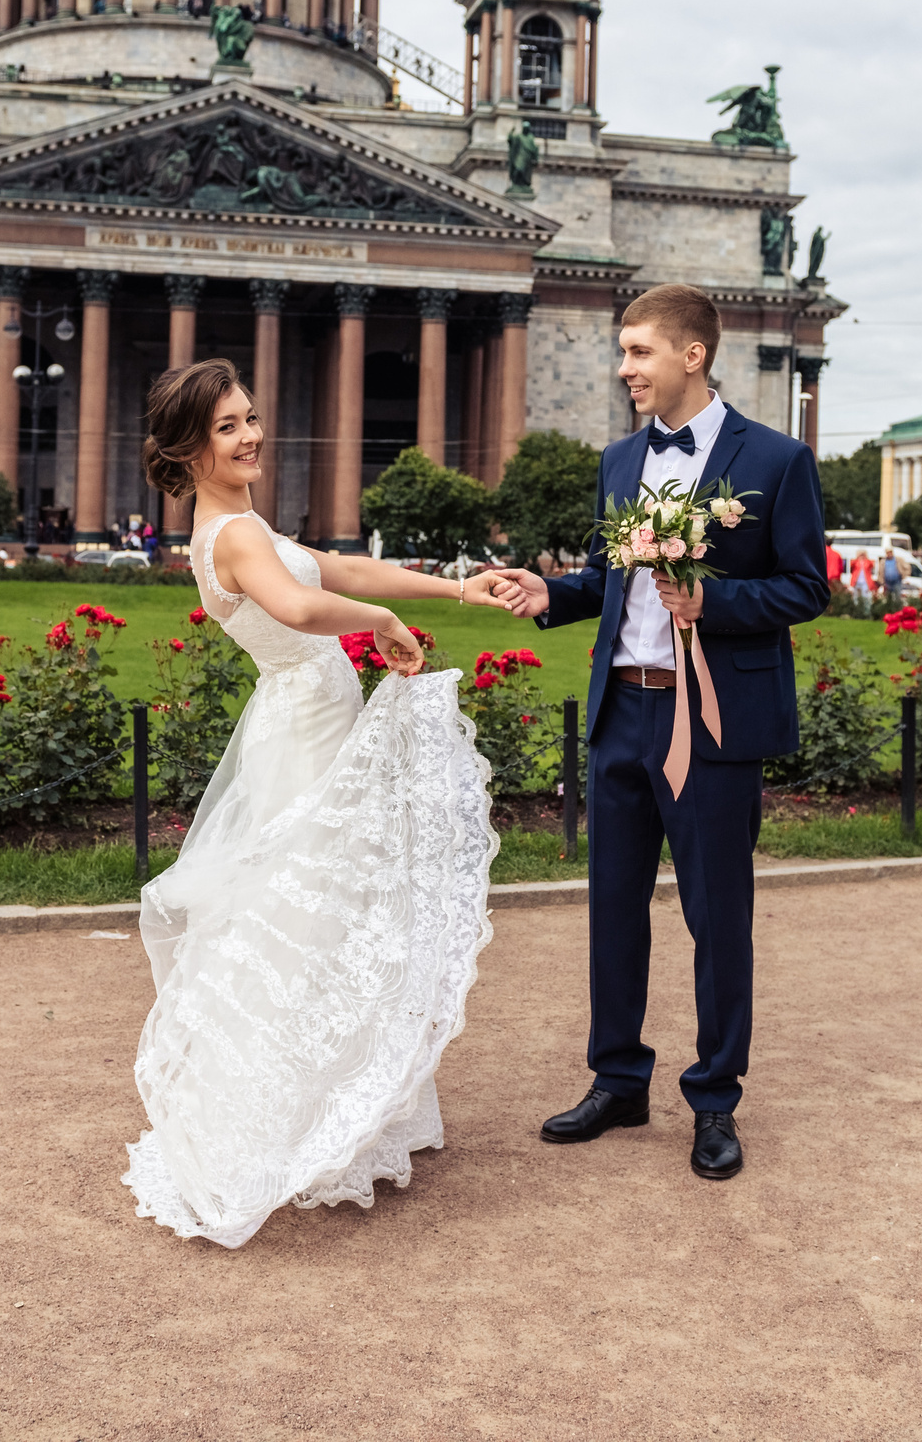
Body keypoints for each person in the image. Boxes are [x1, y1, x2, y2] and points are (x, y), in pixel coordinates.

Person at [122, 359, 517, 1249]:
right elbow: (301, 605)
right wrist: (378, 626)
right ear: (189, 448)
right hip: (303, 731)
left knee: (335, 914)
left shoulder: (243, 521)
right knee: (308, 919)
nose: (251, 432)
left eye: (251, 416)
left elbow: (334, 564)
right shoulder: (225, 533)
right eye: (228, 425)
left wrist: (455, 587)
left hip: (312, 716)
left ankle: (343, 1104)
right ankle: (285, 1121)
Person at [486, 285, 828, 1183]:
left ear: (692, 355)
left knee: (717, 917)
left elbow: (806, 586)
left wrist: (713, 600)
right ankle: (618, 1078)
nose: (625, 368)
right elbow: (610, 577)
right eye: (622, 351)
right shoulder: (618, 459)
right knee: (613, 906)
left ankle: (714, 1100)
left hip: (712, 716)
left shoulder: (778, 460)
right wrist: (548, 594)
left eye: (638, 351)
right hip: (622, 714)